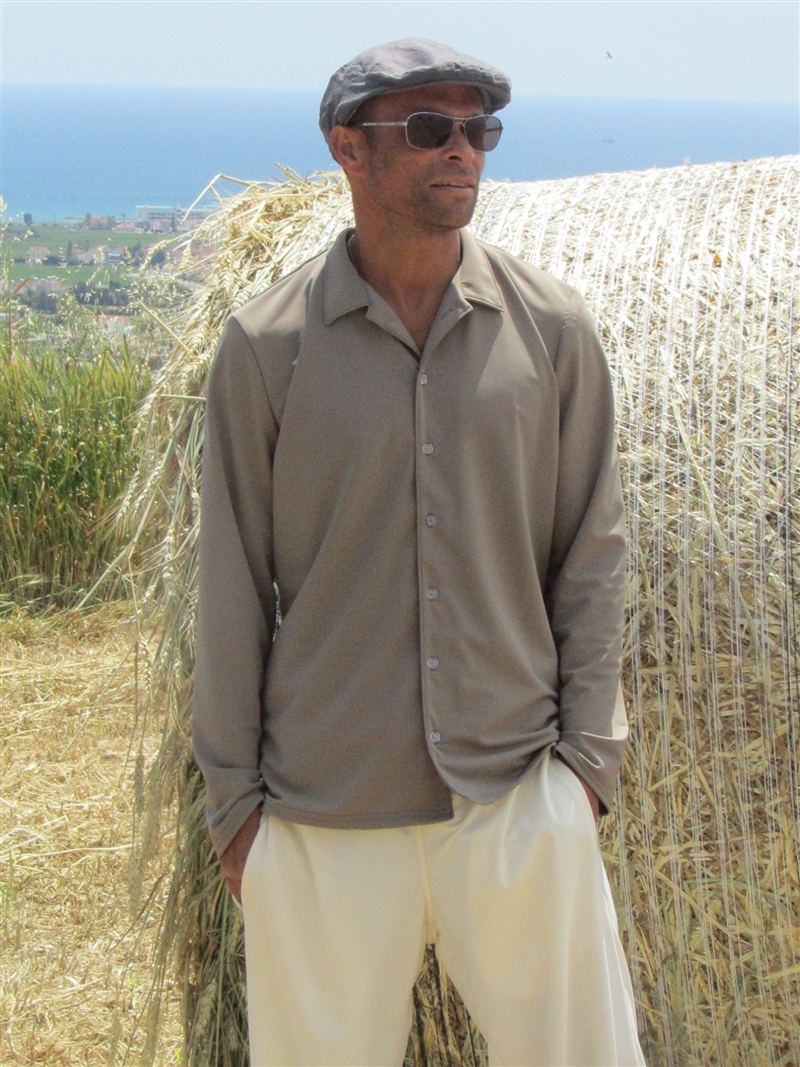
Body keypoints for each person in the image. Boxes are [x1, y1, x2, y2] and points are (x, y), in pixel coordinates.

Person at [194, 37, 646, 1067]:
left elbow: (591, 553)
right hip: (322, 811)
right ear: (347, 148)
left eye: (479, 130)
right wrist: (236, 811)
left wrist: (582, 769)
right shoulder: (265, 348)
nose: (462, 152)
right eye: (430, 128)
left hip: (517, 793)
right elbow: (230, 582)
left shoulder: (553, 330)